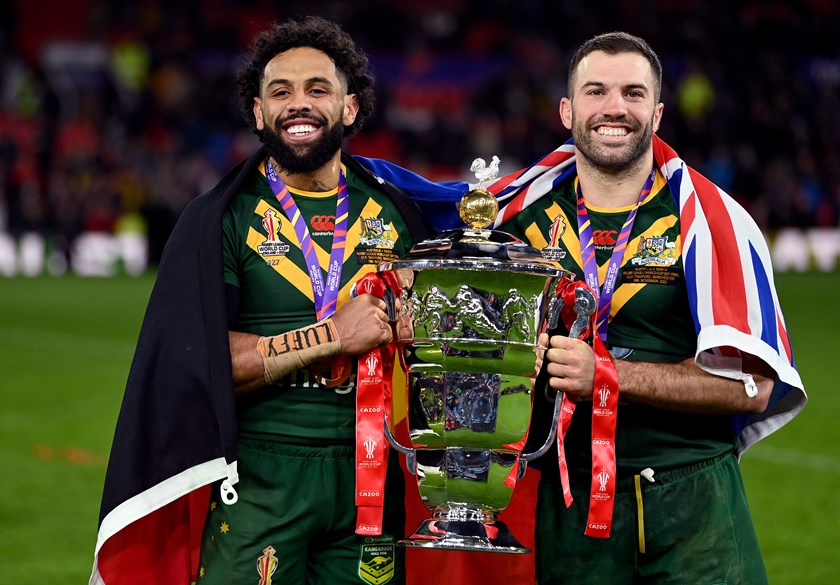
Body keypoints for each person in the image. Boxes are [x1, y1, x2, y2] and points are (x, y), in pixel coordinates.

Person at [90, 16, 432, 585]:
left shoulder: (398, 214)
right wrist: (332, 335)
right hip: (258, 481)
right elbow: (198, 363)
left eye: (318, 89)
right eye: (281, 92)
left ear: (350, 107)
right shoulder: (220, 219)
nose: (299, 104)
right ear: (258, 113)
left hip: (373, 483)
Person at [484, 32, 806, 584]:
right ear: (567, 110)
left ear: (657, 113)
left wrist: (608, 376)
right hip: (572, 502)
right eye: (596, 91)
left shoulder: (712, 220)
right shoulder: (511, 220)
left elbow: (751, 389)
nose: (615, 108)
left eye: (633, 93)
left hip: (694, 504)